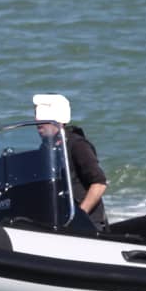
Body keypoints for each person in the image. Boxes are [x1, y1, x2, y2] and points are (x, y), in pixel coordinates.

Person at [33, 94, 109, 231]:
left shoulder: (77, 145)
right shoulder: (44, 150)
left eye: (43, 117)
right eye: (37, 117)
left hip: (88, 225)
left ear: (59, 119)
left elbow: (99, 183)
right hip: (57, 222)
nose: (37, 122)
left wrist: (79, 216)